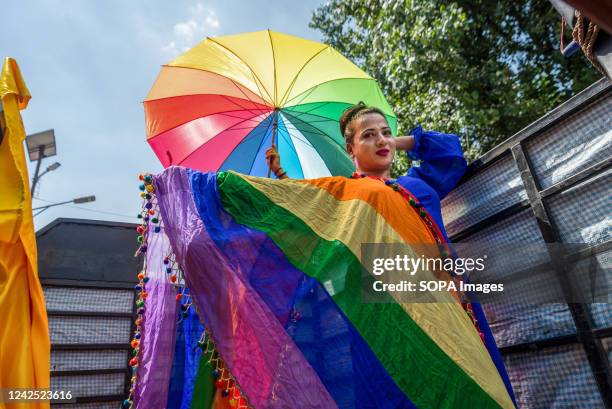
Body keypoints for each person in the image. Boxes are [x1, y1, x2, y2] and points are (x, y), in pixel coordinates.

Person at [265, 102, 467, 241]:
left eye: (386, 132)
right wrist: (279, 172)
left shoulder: (416, 182)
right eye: (368, 135)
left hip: (456, 295)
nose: (381, 140)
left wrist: (388, 141)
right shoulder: (344, 193)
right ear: (350, 149)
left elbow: (450, 154)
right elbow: (303, 208)